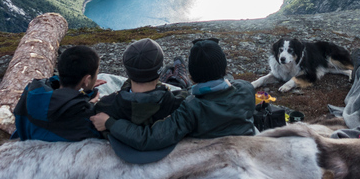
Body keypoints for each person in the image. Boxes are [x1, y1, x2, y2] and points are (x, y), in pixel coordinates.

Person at [90, 38, 256, 151]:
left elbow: (149, 138)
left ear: (193, 75)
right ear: (224, 68)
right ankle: (176, 77)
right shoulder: (247, 89)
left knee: (176, 83)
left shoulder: (190, 108)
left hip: (213, 156)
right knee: (177, 84)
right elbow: (233, 86)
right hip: (245, 151)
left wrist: (111, 123)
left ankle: (175, 76)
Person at [13, 45, 102, 142]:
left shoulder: (31, 94)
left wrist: (86, 91)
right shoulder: (83, 119)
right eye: (96, 74)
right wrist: (91, 104)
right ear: (87, 79)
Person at [95, 38, 190, 127]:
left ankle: (174, 79)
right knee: (178, 86)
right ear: (159, 70)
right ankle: (177, 80)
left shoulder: (104, 106)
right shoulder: (179, 102)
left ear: (127, 71)